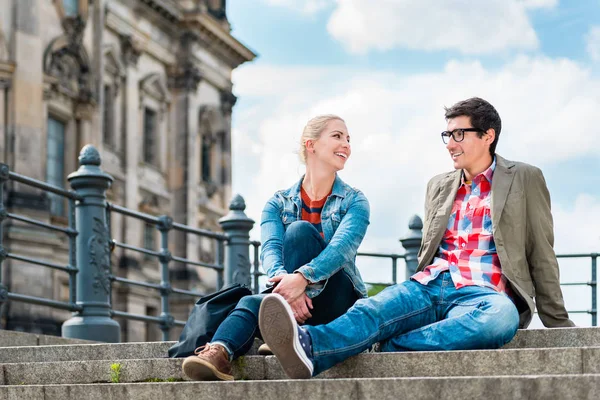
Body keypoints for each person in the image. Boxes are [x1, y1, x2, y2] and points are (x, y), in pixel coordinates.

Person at [258, 97, 575, 379]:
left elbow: (541, 250)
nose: (450, 143)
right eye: (447, 135)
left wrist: (558, 324)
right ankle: (309, 346)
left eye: (459, 134)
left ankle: (390, 344)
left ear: (488, 136)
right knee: (373, 309)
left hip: (483, 292)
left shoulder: (524, 177)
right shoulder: (438, 184)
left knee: (500, 319)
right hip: (429, 284)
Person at [182, 114, 370, 381]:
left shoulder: (355, 201)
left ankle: (286, 325)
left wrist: (302, 280)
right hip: (289, 299)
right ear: (311, 145)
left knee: (299, 231)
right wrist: (287, 284)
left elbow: (341, 249)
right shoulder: (278, 203)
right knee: (250, 300)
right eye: (338, 136)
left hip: (338, 299)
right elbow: (270, 249)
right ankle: (218, 353)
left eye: (348, 139)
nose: (347, 145)